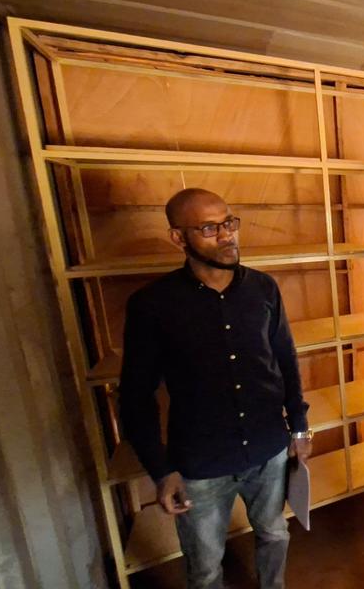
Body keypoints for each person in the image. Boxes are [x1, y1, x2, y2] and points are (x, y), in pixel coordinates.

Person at [119, 188, 311, 589]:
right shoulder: (152, 305)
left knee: (275, 533)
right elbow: (136, 396)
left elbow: (285, 358)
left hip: (269, 449)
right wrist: (161, 470)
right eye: (209, 228)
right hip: (200, 464)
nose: (227, 236)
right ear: (178, 238)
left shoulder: (264, 289)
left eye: (229, 223)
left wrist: (298, 426)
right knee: (205, 568)